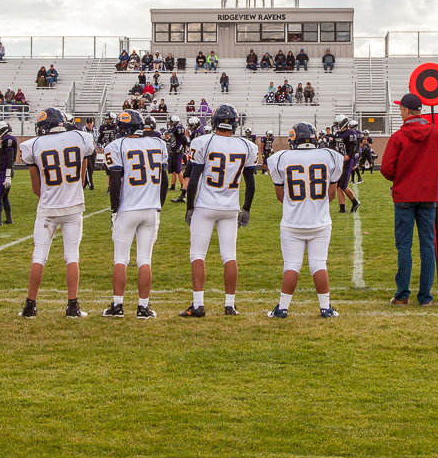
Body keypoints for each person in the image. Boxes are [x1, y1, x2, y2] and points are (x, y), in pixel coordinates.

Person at [179, 103, 258, 317]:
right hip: (230, 207)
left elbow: (193, 179)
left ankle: (198, 304)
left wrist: (189, 206)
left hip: (205, 205)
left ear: (214, 122)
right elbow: (251, 183)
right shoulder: (246, 145)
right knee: (229, 255)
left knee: (197, 254)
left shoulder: (203, 141)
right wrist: (246, 208)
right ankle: (230, 305)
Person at [17, 108, 97, 318]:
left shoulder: (32, 145)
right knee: (72, 256)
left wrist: (51, 198)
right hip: (73, 207)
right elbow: (82, 179)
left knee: (39, 256)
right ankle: (73, 306)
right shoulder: (81, 138)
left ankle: (30, 306)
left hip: (47, 208)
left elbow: (36, 188)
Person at [380, 92, 438, 306]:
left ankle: (403, 295)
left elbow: (386, 169)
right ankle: (425, 297)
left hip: (404, 196)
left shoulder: (398, 137)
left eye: (400, 109)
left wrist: (403, 175)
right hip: (429, 196)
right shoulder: (436, 133)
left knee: (404, 246)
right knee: (428, 245)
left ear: (406, 111)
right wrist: (430, 170)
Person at [264, 121, 346, 318]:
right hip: (320, 221)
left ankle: (282, 309)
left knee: (291, 265)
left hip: (293, 223)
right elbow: (332, 194)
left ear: (294, 140)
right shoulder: (331, 156)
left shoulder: (279, 158)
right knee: (319, 264)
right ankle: (325, 308)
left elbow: (280, 195)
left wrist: (294, 207)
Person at [100, 110, 168, 318]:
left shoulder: (116, 146)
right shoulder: (158, 144)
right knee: (144, 259)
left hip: (127, 209)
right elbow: (164, 180)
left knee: (120, 259)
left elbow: (115, 180)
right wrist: (159, 205)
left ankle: (118, 306)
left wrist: (114, 210)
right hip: (150, 209)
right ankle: (143, 307)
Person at [330, 115, 362, 213]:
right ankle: (342, 209)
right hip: (340, 160)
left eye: (338, 124)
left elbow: (351, 153)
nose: (336, 126)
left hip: (347, 161)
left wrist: (342, 160)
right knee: (339, 185)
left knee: (343, 186)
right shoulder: (338, 134)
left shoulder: (351, 134)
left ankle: (355, 202)